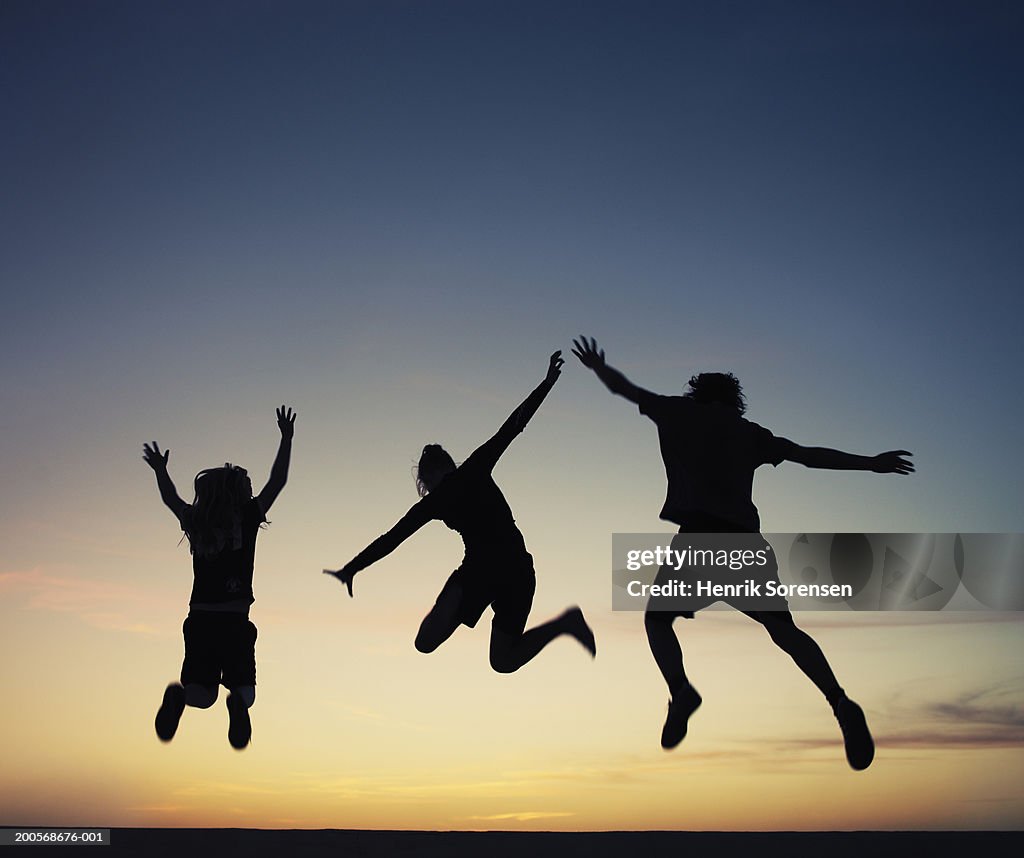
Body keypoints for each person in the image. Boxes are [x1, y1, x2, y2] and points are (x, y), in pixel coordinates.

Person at [572, 336, 914, 770]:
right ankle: (840, 701)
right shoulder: (750, 434)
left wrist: (597, 366)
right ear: (734, 401)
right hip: (743, 545)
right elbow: (808, 457)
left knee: (657, 620)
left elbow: (623, 388)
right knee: (785, 632)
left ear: (697, 394)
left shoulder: (676, 413)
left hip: (697, 542)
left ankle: (681, 692)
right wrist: (870, 463)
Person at [324, 351, 596, 675]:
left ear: (431, 477)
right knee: (501, 660)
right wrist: (547, 382)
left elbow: (391, 539)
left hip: (492, 570)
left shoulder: (449, 490)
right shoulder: (467, 475)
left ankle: (469, 600)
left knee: (447, 648)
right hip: (511, 569)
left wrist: (353, 568)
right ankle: (562, 624)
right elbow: (513, 426)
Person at [143, 405, 296, 750]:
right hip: (235, 620)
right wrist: (287, 439)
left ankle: (179, 699)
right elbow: (279, 481)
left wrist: (160, 470)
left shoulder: (196, 519)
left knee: (200, 695)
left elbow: (170, 498)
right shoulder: (247, 515)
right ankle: (237, 705)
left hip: (200, 620)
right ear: (238, 492)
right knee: (245, 693)